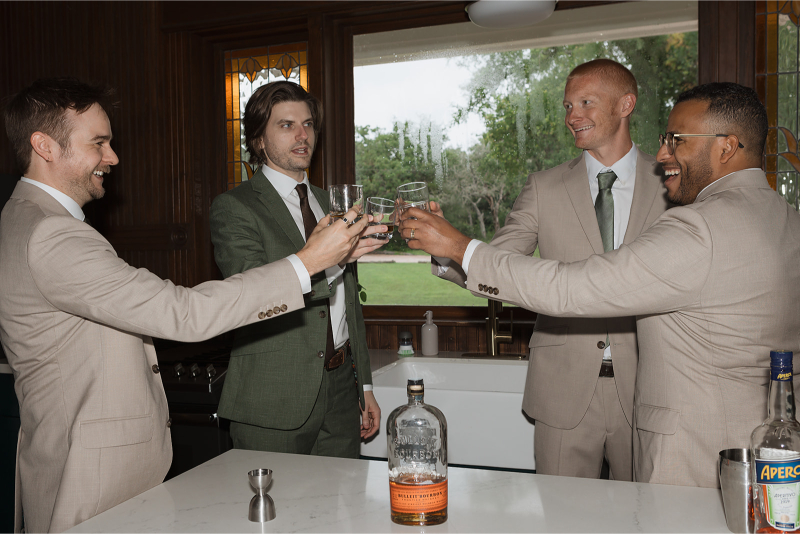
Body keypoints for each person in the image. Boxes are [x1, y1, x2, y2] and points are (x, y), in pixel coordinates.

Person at [0, 77, 369, 533]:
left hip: (67, 450)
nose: (112, 157)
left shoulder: (23, 218)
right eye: (99, 142)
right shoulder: (51, 234)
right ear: (45, 146)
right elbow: (184, 313)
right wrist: (309, 260)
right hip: (88, 468)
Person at [399, 82, 800, 488]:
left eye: (676, 140)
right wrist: (448, 251)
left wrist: (459, 243)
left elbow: (573, 287)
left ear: (726, 147)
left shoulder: (696, 221)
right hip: (768, 442)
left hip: (694, 447)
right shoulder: (787, 219)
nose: (664, 153)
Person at [434, 59, 669, 480]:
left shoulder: (672, 183)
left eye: (585, 102)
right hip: (562, 388)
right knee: (560, 517)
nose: (571, 117)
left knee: (642, 517)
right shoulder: (542, 187)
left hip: (649, 387)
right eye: (567, 106)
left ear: (625, 104)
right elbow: (501, 265)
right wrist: (445, 249)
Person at [209, 81, 384, 458]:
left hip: (341, 390)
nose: (302, 134)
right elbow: (252, 294)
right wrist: (330, 260)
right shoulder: (235, 208)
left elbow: (348, 304)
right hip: (273, 394)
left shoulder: (332, 204)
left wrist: (364, 385)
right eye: (286, 125)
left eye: (308, 124)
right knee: (275, 514)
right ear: (258, 140)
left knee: (340, 512)